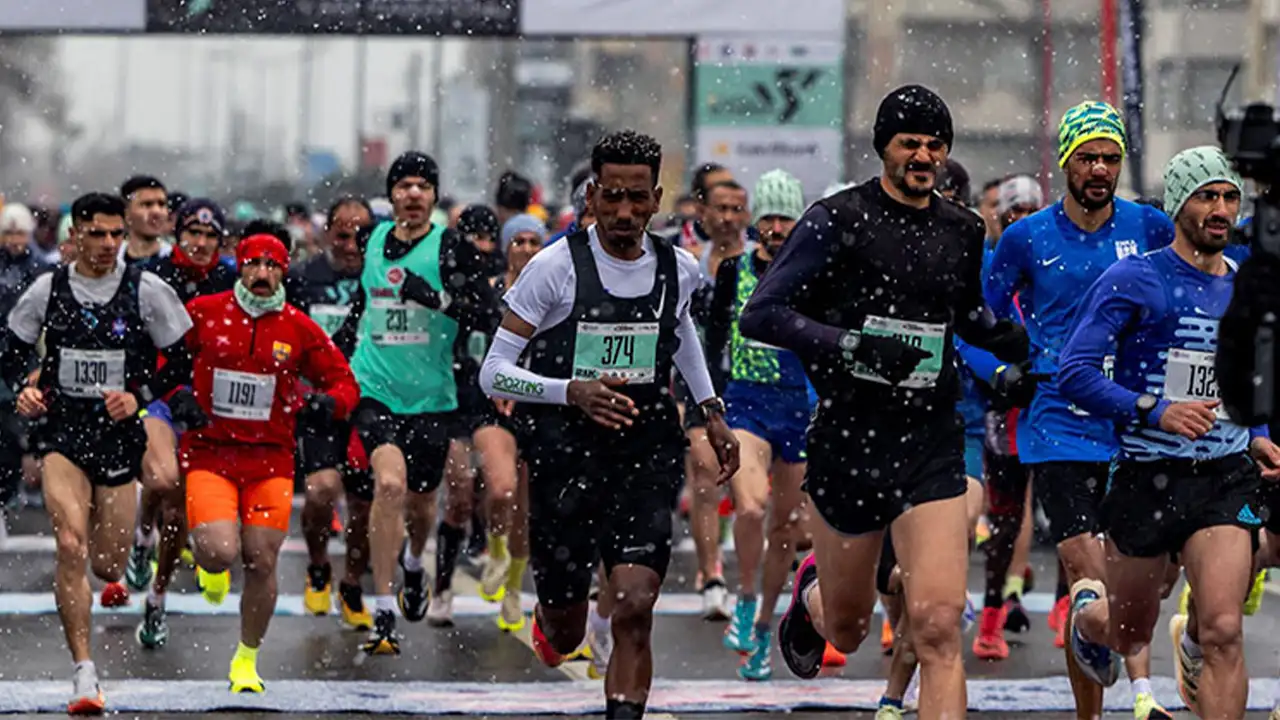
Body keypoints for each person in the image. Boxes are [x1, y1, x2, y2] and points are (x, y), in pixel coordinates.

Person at [738, 85, 1027, 718]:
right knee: (847, 629)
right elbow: (760, 314)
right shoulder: (836, 220)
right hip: (851, 440)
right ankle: (812, 591)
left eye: (935, 144)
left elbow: (964, 313)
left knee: (938, 627)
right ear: (883, 148)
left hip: (930, 439)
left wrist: (1010, 343)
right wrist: (852, 345)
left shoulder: (962, 229)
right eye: (909, 143)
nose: (923, 156)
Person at [479, 129, 739, 720]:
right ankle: (559, 619)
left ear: (656, 199)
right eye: (612, 196)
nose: (624, 212)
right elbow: (494, 373)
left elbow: (681, 333)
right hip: (565, 455)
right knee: (564, 632)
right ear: (592, 196)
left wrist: (711, 409)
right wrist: (570, 391)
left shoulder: (678, 268)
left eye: (637, 198)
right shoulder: (553, 268)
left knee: (636, 603)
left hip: (643, 448)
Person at [1058, 146, 1278, 720]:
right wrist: (1155, 411)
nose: (1221, 209)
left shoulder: (1245, 287)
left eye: (1229, 197)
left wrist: (1257, 432)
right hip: (1147, 475)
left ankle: (1198, 655)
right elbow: (1074, 372)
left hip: (1223, 477)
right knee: (1128, 631)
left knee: (1224, 631)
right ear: (1180, 205)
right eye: (1207, 196)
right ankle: (1087, 619)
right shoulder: (1135, 278)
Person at [984, 100, 1175, 720]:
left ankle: (1122, 662)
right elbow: (975, 321)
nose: (1099, 169)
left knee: (1140, 580)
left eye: (1110, 158)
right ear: (1065, 162)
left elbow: (1191, 288)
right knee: (1090, 579)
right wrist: (999, 371)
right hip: (1058, 423)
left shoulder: (1149, 227)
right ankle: (1133, 701)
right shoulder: (1027, 237)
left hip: (1132, 422)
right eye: (1087, 157)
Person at [0, 192, 194, 714]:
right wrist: (24, 388)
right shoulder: (48, 288)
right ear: (75, 236)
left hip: (118, 437)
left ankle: (134, 544)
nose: (108, 244)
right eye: (97, 234)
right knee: (69, 544)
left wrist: (140, 396)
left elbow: (181, 360)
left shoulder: (145, 289)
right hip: (63, 433)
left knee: (108, 566)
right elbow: (10, 350)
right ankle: (84, 672)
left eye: (115, 234)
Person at [333, 150, 497, 653]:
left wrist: (439, 299)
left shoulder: (451, 247)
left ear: (434, 196)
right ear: (391, 195)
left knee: (423, 504)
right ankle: (384, 608)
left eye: (422, 186)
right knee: (389, 486)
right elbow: (365, 303)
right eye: (403, 185)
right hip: (374, 387)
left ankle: (412, 562)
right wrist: (333, 356)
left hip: (430, 396)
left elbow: (487, 314)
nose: (412, 194)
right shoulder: (372, 239)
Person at [182, 233, 360, 693]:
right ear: (239, 267)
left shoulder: (298, 327)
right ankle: (210, 566)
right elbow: (163, 358)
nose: (262, 274)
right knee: (220, 550)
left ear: (284, 271)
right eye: (253, 264)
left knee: (261, 560)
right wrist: (176, 395)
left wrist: (330, 404)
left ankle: (246, 659)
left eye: (272, 266)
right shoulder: (204, 312)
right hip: (210, 453)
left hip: (270, 460)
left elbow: (343, 380)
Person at [704, 169, 812, 682]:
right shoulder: (734, 271)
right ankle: (745, 597)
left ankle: (766, 627)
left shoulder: (813, 274)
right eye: (769, 217)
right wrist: (706, 403)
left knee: (787, 529)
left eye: (785, 219)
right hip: (746, 401)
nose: (776, 228)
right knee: (750, 506)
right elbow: (712, 341)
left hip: (798, 408)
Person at [129, 198, 240, 649]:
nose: (201, 242)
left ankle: (157, 599)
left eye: (211, 235)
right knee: (162, 478)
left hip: (210, 400)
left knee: (178, 510)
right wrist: (165, 388)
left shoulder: (231, 279)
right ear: (179, 234)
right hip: (160, 392)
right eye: (194, 232)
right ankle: (141, 535)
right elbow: (138, 342)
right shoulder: (153, 275)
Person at [287, 196, 376, 628]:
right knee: (322, 491)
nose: (351, 245)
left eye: (361, 236)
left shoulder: (380, 278)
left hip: (370, 401)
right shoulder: (302, 278)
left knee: (364, 505)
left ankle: (353, 583)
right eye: (342, 235)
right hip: (318, 400)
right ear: (327, 234)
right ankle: (319, 565)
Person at [119, 176, 171, 265]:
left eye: (161, 204)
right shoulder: (109, 261)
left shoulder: (178, 263)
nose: (157, 211)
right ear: (126, 213)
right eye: (147, 204)